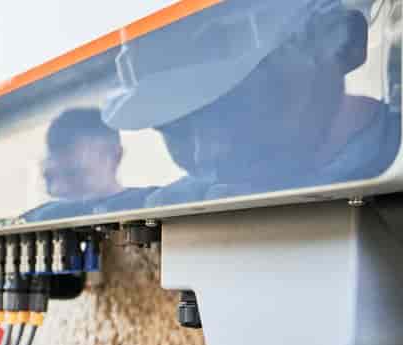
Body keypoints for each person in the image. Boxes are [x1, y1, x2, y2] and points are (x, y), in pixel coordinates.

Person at [102, 0, 400, 206]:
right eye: (175, 129)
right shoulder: (192, 197)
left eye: (236, 105)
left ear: (347, 43)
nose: (208, 154)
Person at [22, 107, 153, 223]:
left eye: (74, 173)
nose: (58, 188)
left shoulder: (154, 204)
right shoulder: (39, 217)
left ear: (114, 155)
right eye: (49, 178)